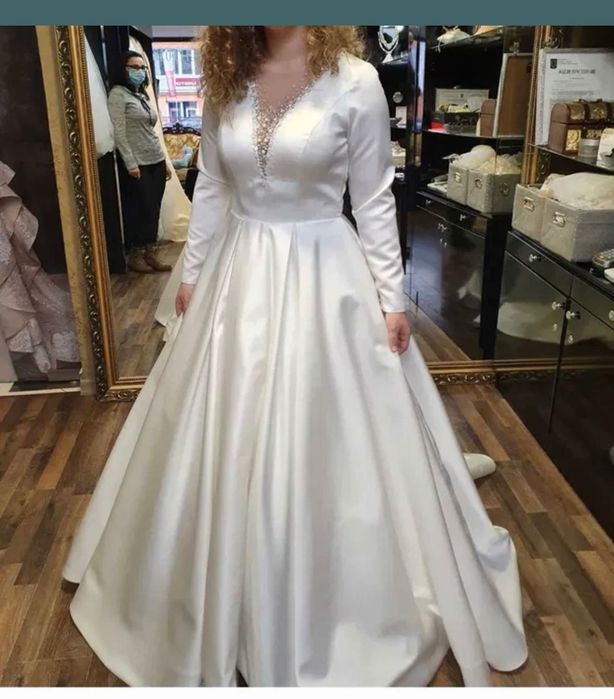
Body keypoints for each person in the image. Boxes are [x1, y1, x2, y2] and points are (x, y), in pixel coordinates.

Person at [62, 26, 528, 687]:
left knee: (325, 432)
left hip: (324, 276)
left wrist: (391, 298)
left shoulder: (356, 82)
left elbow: (373, 197)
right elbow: (212, 185)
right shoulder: (227, 76)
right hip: (238, 278)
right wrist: (192, 272)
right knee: (216, 430)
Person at [107, 50, 172, 273]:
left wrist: (165, 163)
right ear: (123, 70)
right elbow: (119, 132)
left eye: (142, 68)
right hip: (138, 163)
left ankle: (150, 253)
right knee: (141, 208)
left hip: (156, 159)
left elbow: (151, 132)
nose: (140, 71)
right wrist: (130, 163)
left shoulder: (141, 96)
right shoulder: (118, 95)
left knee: (154, 209)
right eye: (134, 67)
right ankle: (135, 254)